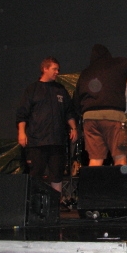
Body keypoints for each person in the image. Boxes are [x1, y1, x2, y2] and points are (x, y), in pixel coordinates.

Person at [73, 44, 127, 166]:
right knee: (120, 157)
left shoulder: (85, 73)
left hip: (89, 119)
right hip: (113, 117)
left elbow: (76, 100)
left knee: (95, 159)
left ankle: (94, 179)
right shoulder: (117, 63)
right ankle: (120, 179)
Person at [16, 57, 78, 195]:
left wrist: (73, 128)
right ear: (45, 69)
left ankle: (56, 203)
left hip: (57, 141)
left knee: (57, 174)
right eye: (54, 69)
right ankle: (34, 202)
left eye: (58, 69)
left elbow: (69, 112)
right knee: (36, 174)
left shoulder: (60, 90)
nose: (57, 72)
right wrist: (21, 132)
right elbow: (22, 113)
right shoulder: (32, 89)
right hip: (37, 142)